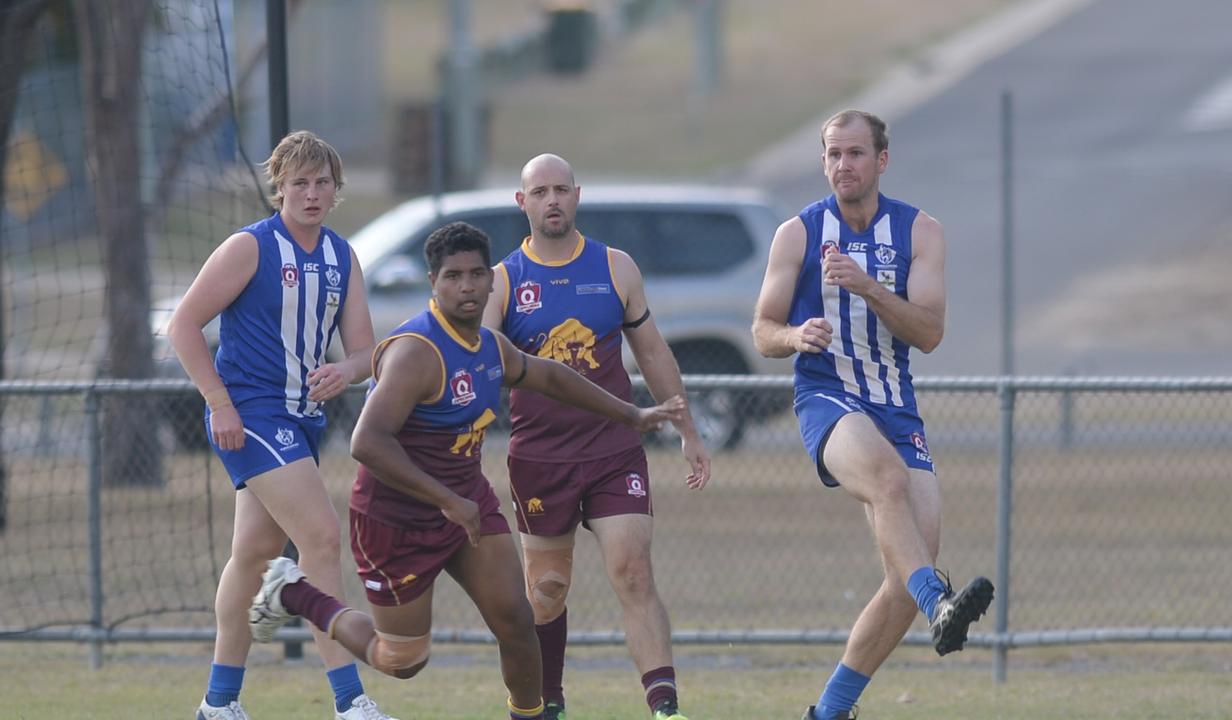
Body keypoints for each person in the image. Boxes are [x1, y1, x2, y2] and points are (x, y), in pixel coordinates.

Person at [247, 221, 687, 720]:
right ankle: (295, 591)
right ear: (432, 282)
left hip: (466, 505)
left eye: (477, 274)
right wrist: (445, 500)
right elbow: (366, 442)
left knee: (518, 620)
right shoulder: (417, 351)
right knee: (403, 660)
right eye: (453, 276)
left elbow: (546, 373)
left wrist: (632, 413)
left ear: (493, 282)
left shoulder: (490, 346)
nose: (467, 286)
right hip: (396, 520)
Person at [750, 109, 994, 720]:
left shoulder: (920, 232)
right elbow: (761, 330)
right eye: (833, 154)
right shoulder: (798, 233)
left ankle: (829, 712)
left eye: (855, 154)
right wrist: (793, 335)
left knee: (906, 574)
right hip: (828, 398)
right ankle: (939, 600)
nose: (842, 166)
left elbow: (931, 333)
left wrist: (868, 287)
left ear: (881, 160)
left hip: (896, 406)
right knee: (888, 486)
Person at [168, 130, 396, 720]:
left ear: (336, 190)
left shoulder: (342, 257)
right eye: (300, 182)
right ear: (279, 189)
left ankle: (218, 705)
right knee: (319, 538)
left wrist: (344, 371)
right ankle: (351, 703)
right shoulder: (251, 247)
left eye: (323, 182)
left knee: (254, 554)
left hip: (302, 420)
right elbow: (183, 325)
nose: (312, 193)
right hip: (252, 414)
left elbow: (365, 352)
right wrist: (219, 403)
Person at [481, 154, 711, 720]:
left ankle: (664, 707)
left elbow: (652, 352)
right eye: (540, 191)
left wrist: (686, 428)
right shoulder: (504, 280)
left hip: (613, 450)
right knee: (548, 589)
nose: (552, 200)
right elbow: (478, 362)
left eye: (562, 189)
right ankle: (546, 703)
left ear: (577, 196)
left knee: (632, 569)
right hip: (539, 457)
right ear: (523, 202)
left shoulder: (615, 267)